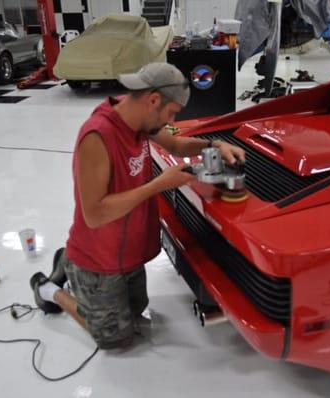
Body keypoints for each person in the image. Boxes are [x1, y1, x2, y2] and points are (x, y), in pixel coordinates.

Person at [29, 62, 245, 349]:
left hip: (126, 252)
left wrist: (215, 146)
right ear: (153, 100)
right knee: (114, 338)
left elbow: (177, 146)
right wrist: (158, 184)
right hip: (99, 257)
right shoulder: (97, 136)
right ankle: (49, 289)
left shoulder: (137, 117)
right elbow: (94, 214)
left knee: (136, 312)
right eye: (172, 112)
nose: (172, 119)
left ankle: (68, 261)